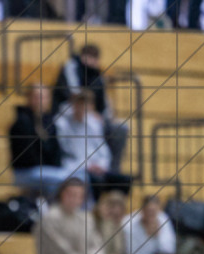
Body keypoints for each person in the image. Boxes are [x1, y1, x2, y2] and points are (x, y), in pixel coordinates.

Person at [52, 44, 128, 175]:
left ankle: (112, 170)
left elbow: (103, 103)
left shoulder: (98, 76)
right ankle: (82, 166)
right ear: (83, 57)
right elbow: (74, 96)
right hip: (69, 113)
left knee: (121, 128)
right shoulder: (71, 67)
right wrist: (89, 112)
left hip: (92, 117)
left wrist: (104, 118)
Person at [55, 90, 131, 201]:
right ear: (73, 104)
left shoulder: (94, 124)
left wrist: (101, 165)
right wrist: (87, 165)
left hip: (95, 167)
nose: (82, 107)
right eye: (79, 103)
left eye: (85, 104)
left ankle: (116, 211)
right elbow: (67, 152)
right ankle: (95, 211)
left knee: (124, 181)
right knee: (96, 181)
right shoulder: (62, 124)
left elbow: (103, 150)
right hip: (75, 166)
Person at [8, 83, 72, 197]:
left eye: (44, 97)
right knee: (61, 180)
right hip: (25, 171)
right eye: (37, 97)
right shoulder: (21, 122)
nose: (41, 101)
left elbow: (56, 151)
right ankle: (53, 212)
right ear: (29, 98)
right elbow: (25, 156)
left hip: (46, 170)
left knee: (79, 178)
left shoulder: (50, 122)